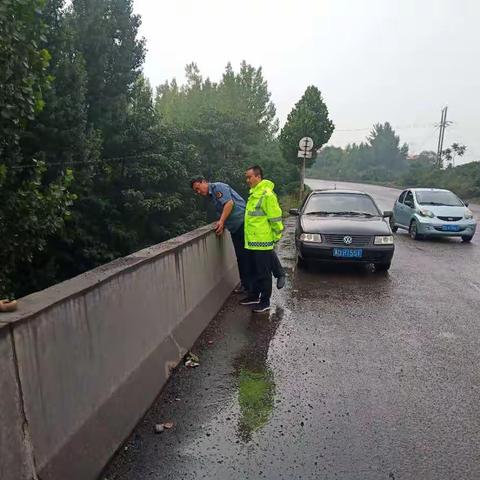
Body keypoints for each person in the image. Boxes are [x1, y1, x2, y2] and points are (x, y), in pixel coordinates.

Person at [190, 177, 286, 294]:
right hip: (235, 227)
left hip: (243, 223)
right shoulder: (211, 195)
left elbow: (229, 204)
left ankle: (279, 273)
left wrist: (221, 221)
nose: (198, 192)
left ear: (203, 182)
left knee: (260, 251)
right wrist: (223, 223)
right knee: (243, 257)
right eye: (196, 191)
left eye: (198, 188)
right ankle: (247, 285)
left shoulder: (218, 187)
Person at [240, 166, 284, 313]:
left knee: (263, 273)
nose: (247, 180)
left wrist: (276, 235)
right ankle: (254, 295)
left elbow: (275, 218)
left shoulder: (267, 195)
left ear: (258, 177)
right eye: (246, 177)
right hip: (252, 241)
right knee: (253, 271)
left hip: (263, 241)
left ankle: (265, 301)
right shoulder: (254, 194)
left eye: (249, 177)